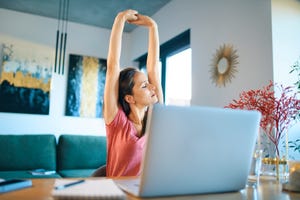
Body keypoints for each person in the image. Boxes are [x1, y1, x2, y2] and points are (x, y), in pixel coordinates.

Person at [103, 9, 163, 177]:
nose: (152, 87)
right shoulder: (116, 121)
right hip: (116, 193)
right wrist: (120, 19)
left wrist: (153, 27)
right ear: (129, 98)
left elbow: (153, 68)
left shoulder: (156, 116)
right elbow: (113, 67)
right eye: (144, 86)